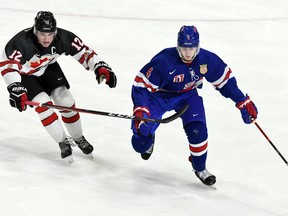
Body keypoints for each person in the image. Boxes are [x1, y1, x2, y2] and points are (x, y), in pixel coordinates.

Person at [130, 25, 257, 186]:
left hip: (187, 97)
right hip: (159, 97)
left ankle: (200, 168)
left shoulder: (206, 60)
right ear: (178, 47)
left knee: (198, 131)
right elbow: (141, 85)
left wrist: (242, 101)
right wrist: (141, 109)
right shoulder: (163, 62)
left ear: (197, 47)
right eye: (183, 49)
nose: (188, 53)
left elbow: (225, 82)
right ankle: (149, 135)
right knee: (140, 144)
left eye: (191, 49)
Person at [0, 11, 117, 162]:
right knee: (43, 104)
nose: (46, 39)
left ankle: (78, 137)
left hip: (47, 66)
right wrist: (15, 87)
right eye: (42, 34)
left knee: (66, 101)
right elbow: (9, 67)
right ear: (35, 30)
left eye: (50, 34)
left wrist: (100, 67)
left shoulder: (63, 37)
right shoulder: (21, 43)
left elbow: (84, 52)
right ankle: (62, 141)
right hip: (24, 74)